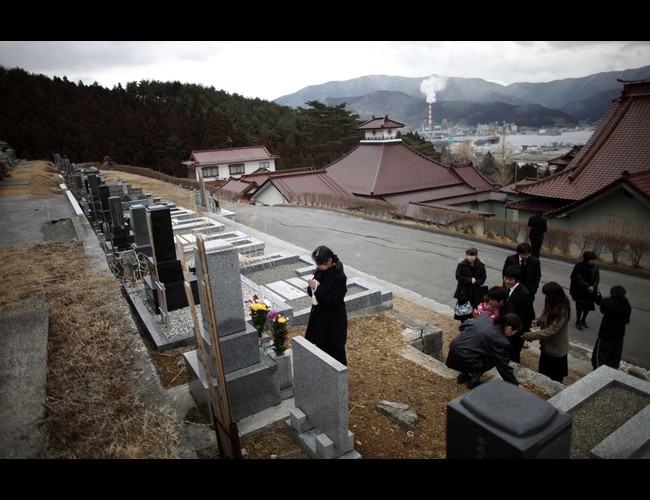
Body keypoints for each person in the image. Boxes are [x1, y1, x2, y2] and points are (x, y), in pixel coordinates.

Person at [446, 312, 522, 389]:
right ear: (509, 329)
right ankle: (474, 380)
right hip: (464, 359)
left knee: (476, 348)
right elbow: (503, 367)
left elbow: (463, 326)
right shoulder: (500, 341)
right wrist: (514, 386)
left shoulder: (484, 319)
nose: (513, 334)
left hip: (454, 350)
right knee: (493, 358)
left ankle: (464, 375)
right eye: (514, 332)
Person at [305, 245, 348, 365]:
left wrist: (317, 288)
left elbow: (333, 301)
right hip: (320, 316)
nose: (318, 267)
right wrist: (311, 287)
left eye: (320, 264)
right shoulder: (319, 271)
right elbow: (312, 292)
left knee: (335, 349)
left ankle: (339, 377)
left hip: (333, 319)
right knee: (320, 346)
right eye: (317, 264)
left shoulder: (339, 277)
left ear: (329, 261)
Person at [522, 282, 571, 383]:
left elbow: (552, 330)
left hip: (556, 348)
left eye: (547, 295)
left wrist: (531, 335)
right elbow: (545, 315)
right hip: (547, 347)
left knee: (555, 378)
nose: (546, 297)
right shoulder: (550, 302)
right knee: (543, 373)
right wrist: (538, 321)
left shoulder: (563, 310)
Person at [591, 285, 632, 370]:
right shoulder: (627, 306)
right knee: (614, 359)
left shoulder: (608, 301)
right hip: (619, 336)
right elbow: (626, 320)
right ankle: (611, 374)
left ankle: (598, 375)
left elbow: (602, 309)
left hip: (606, 335)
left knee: (598, 357)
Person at [502, 265, 535, 363]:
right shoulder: (504, 288)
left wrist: (523, 333)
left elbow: (529, 315)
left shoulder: (524, 294)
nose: (507, 281)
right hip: (505, 327)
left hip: (516, 331)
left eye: (510, 279)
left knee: (513, 354)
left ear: (517, 279)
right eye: (505, 278)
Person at [453, 247, 487, 323]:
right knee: (463, 308)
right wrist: (469, 280)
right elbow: (458, 276)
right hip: (463, 290)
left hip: (475, 290)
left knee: (474, 307)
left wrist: (477, 281)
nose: (469, 257)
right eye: (468, 255)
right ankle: (464, 323)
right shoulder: (462, 264)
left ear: (476, 256)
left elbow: (483, 277)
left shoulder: (481, 265)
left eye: (472, 255)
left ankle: (472, 324)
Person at [569, 251, 600, 331]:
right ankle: (578, 320)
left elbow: (597, 278)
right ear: (587, 260)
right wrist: (588, 286)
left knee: (588, 306)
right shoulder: (579, 266)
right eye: (592, 260)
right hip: (580, 290)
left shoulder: (595, 266)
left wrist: (593, 286)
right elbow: (578, 278)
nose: (593, 262)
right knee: (580, 306)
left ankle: (583, 319)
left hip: (591, 290)